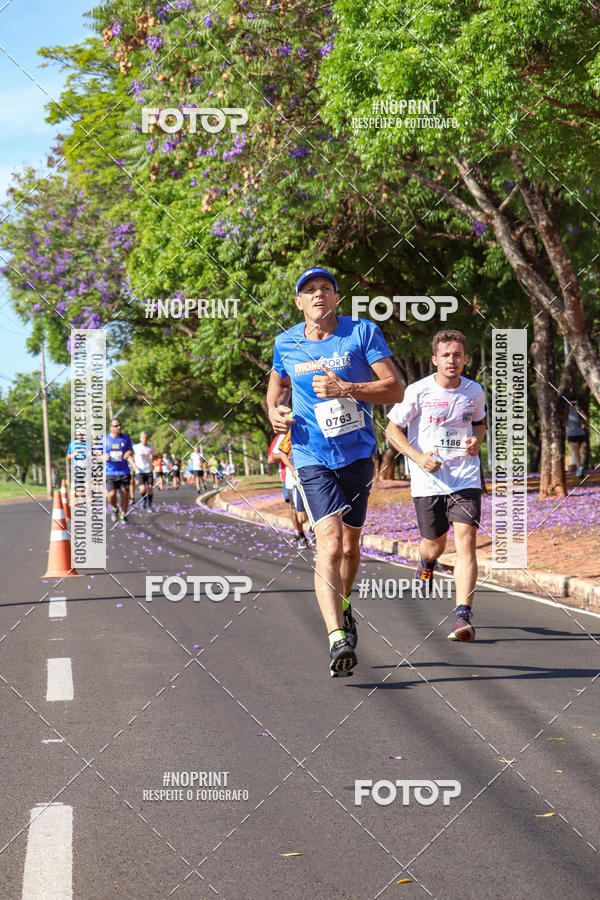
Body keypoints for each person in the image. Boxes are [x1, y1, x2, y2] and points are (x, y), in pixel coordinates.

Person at [267, 266, 404, 677]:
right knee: (328, 544)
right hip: (311, 455)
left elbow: (395, 388)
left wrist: (348, 389)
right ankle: (336, 638)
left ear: (336, 298)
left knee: (349, 547)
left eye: (325, 288)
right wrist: (274, 411)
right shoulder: (286, 342)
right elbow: (275, 387)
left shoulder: (362, 333)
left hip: (359, 454)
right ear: (299, 302)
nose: (318, 295)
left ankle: (344, 606)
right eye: (309, 290)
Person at [385, 330, 486, 642]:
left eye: (457, 354)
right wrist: (417, 457)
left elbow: (479, 423)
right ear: (435, 360)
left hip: (465, 477)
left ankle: (462, 616)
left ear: (465, 358)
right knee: (435, 543)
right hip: (428, 481)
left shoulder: (475, 391)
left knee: (466, 543)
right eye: (446, 355)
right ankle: (426, 560)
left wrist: (475, 442)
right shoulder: (417, 391)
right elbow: (391, 430)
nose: (452, 360)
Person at [103, 419, 134, 523]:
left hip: (124, 471)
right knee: (111, 495)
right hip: (110, 472)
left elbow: (130, 449)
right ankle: (115, 508)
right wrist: (103, 456)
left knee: (125, 493)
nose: (119, 427)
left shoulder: (125, 438)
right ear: (111, 427)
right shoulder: (105, 439)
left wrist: (128, 453)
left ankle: (123, 515)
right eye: (116, 426)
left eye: (120, 425)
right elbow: (97, 452)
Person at [133, 431, 156, 511]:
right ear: (140, 439)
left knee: (150, 488)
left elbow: (155, 456)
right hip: (140, 471)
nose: (144, 439)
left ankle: (149, 505)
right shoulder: (136, 447)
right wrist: (133, 465)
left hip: (149, 470)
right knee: (142, 489)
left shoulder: (150, 447)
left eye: (146, 438)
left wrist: (152, 457)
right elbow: (131, 455)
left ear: (147, 439)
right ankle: (144, 500)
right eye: (143, 438)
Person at [567, 402, 587, 478]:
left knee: (576, 453)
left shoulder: (566, 413)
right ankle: (580, 467)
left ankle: (579, 468)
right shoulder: (579, 411)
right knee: (579, 452)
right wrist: (585, 426)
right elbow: (586, 419)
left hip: (572, 434)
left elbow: (565, 424)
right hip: (580, 433)